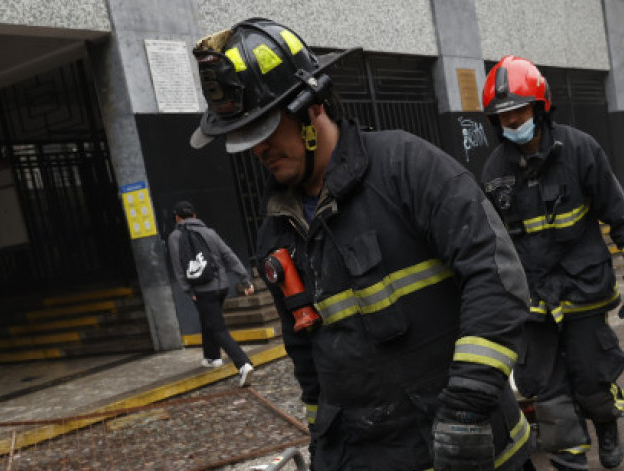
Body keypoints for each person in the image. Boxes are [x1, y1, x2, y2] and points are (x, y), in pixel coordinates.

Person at [190, 18, 535, 471]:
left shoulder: (408, 167)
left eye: (266, 131)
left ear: (309, 107)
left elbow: (496, 277)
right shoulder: (277, 233)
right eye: (245, 139)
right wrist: (323, 445)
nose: (259, 150)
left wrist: (468, 404)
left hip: (468, 450)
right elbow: (306, 358)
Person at [479, 55, 624, 470]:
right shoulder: (493, 172)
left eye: (519, 111)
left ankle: (607, 425)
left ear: (539, 107)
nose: (512, 122)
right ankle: (570, 461)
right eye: (503, 116)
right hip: (535, 305)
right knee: (549, 392)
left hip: (584, 292)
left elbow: (618, 213)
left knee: (593, 378)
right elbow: (492, 245)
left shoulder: (580, 150)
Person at [167, 201, 256, 387]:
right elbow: (229, 255)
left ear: (177, 217)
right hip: (221, 286)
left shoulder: (175, 237)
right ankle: (212, 357)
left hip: (202, 290)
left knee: (218, 328)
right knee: (208, 318)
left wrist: (188, 290)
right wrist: (245, 280)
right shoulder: (209, 232)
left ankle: (243, 364)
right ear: (194, 215)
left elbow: (178, 267)